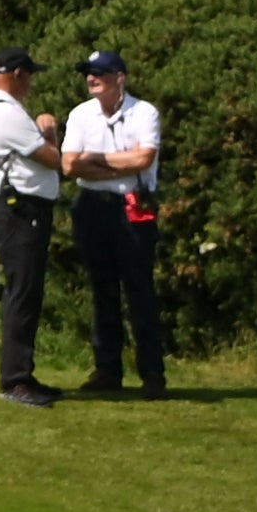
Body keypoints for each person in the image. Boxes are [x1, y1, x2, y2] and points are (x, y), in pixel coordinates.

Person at [56, 46, 169, 398]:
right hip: (92, 205)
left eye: (100, 73)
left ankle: (152, 373)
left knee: (140, 290)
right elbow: (71, 164)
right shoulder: (81, 114)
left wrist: (97, 159)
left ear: (120, 78)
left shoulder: (144, 112)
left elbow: (142, 159)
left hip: (132, 204)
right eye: (89, 73)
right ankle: (107, 369)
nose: (92, 79)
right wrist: (114, 162)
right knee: (102, 289)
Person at [0, 49, 65, 407]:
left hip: (23, 210)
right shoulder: (6, 114)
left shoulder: (1, 110)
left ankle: (23, 374)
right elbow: (53, 159)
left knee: (26, 291)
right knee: (23, 292)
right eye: (30, 75)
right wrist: (51, 133)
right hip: (21, 210)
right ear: (18, 75)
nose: (32, 82)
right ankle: (14, 379)